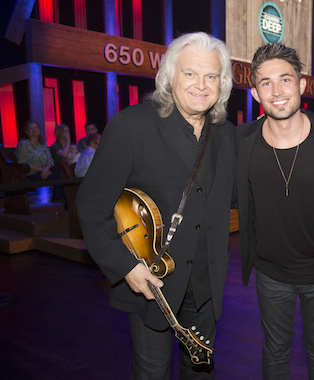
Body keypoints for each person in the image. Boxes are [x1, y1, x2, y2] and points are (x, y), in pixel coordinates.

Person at [76, 32, 235, 379]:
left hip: (207, 287)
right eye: (190, 73)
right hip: (152, 283)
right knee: (152, 373)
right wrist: (125, 267)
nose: (201, 85)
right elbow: (90, 206)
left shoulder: (226, 135)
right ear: (170, 76)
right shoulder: (131, 126)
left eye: (212, 76)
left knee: (201, 372)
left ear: (222, 84)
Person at [235, 43, 314, 379]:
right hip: (271, 273)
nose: (277, 91)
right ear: (256, 93)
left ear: (302, 85)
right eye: (266, 83)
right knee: (274, 351)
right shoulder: (242, 140)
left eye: (285, 80)